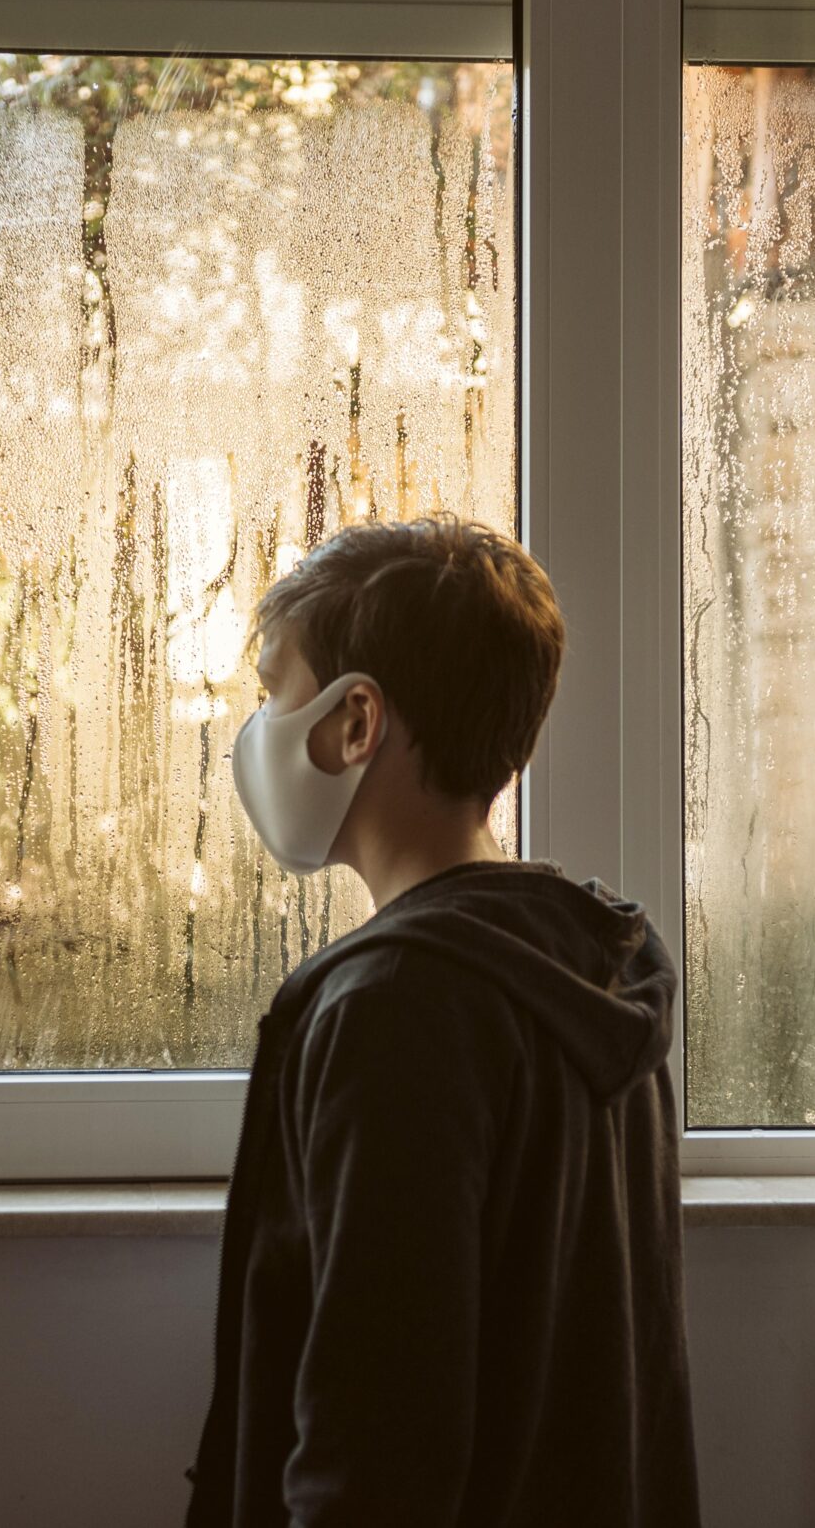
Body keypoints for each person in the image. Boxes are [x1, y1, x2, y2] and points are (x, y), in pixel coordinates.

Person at [187, 516, 698, 1528]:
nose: (253, 728)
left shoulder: (393, 1011)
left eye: (270, 690)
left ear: (354, 722)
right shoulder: (597, 966)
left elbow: (375, 1435)